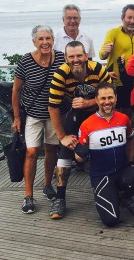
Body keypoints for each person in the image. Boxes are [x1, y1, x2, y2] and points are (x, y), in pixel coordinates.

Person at [47, 41, 111, 219]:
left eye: (79, 56)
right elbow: (52, 107)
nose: (76, 60)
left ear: (86, 56)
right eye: (71, 57)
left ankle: (114, 191)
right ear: (66, 58)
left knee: (106, 149)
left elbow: (112, 95)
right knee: (65, 153)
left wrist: (89, 102)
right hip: (74, 115)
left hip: (97, 114)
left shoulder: (98, 69)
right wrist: (62, 137)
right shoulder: (61, 74)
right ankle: (60, 198)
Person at [75, 82, 134, 227]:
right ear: (96, 100)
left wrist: (131, 162)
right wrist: (81, 151)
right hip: (101, 176)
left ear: (116, 98)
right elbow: (78, 158)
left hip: (121, 170)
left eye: (110, 98)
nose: (107, 102)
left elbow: (131, 139)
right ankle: (110, 195)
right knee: (111, 220)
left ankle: (123, 197)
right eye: (102, 99)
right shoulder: (87, 124)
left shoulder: (123, 119)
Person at [12, 25, 65, 214]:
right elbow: (16, 90)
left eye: (48, 38)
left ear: (53, 40)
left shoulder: (60, 57)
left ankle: (47, 184)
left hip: (54, 114)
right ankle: (28, 195)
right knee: (32, 152)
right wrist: (17, 117)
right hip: (33, 114)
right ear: (34, 41)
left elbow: (76, 71)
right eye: (41, 39)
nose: (45, 42)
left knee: (51, 149)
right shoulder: (26, 61)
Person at [99, 4, 134, 114]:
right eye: (129, 17)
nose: (132, 21)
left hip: (133, 81)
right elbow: (102, 55)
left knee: (128, 113)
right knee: (113, 113)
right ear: (123, 18)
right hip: (116, 81)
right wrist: (106, 51)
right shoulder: (114, 33)